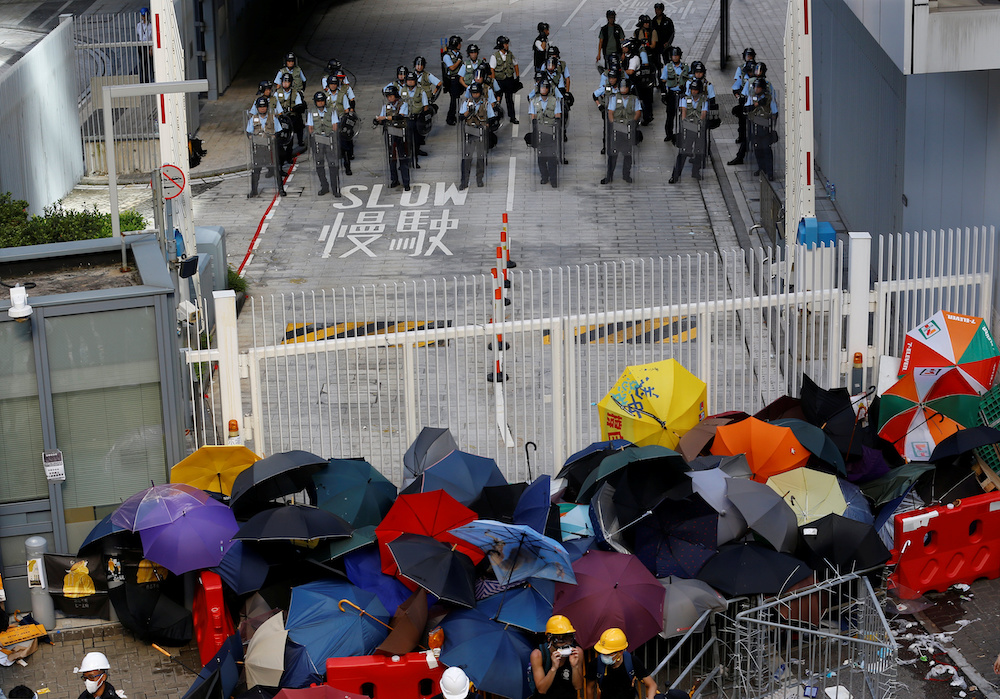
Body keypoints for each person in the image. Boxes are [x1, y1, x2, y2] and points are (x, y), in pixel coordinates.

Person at [589, 628, 658, 699]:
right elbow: (589, 688)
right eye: (603, 653)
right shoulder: (596, 663)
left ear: (620, 652)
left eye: (609, 653)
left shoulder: (632, 661)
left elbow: (652, 685)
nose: (605, 656)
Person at [529, 615, 584, 699]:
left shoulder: (577, 652)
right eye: (560, 639)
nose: (565, 643)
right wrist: (553, 668)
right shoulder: (538, 655)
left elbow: (578, 686)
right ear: (549, 639)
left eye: (568, 638)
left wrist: (574, 667)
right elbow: (542, 690)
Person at [669, 77, 708, 183]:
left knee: (699, 151)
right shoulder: (684, 99)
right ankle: (675, 175)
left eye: (695, 90)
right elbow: (683, 113)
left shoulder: (704, 101)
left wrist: (699, 123)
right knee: (684, 151)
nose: (693, 91)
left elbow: (703, 114)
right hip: (688, 127)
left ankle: (695, 172)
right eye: (692, 89)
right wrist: (685, 124)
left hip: (699, 127)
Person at [603, 78, 641, 185]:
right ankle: (609, 176)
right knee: (613, 153)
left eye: (625, 87)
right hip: (617, 128)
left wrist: (633, 121)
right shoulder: (614, 98)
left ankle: (626, 175)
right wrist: (612, 124)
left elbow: (638, 112)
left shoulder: (634, 99)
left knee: (627, 153)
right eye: (621, 87)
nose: (623, 89)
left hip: (628, 129)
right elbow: (610, 112)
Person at [246, 96, 285, 197]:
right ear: (257, 108)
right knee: (256, 170)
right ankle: (254, 190)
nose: (262, 109)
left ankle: (280, 189)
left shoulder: (273, 118)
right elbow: (249, 133)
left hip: (271, 148)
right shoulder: (253, 119)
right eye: (260, 107)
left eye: (264, 107)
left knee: (276, 169)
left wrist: (273, 137)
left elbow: (279, 132)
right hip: (258, 148)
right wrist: (253, 138)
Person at [458, 83, 494, 189]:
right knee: (466, 158)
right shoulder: (466, 103)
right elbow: (460, 117)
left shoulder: (486, 103)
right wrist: (468, 111)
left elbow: (491, 118)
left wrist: (486, 125)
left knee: (480, 157)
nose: (475, 95)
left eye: (477, 93)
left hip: (481, 132)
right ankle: (464, 181)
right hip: (469, 132)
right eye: (473, 93)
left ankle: (479, 179)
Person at [376, 85, 411, 191]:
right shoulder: (386, 107)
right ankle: (394, 180)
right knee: (392, 157)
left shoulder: (403, 104)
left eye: (391, 96)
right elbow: (381, 118)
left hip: (401, 133)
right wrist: (378, 120)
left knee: (403, 157)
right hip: (390, 134)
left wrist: (386, 118)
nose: (389, 98)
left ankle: (406, 182)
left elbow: (400, 116)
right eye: (388, 96)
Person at [528, 78, 561, 188]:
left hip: (551, 132)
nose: (544, 89)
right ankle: (544, 176)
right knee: (541, 157)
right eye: (542, 87)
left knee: (552, 157)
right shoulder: (534, 101)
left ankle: (553, 179)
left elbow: (557, 117)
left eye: (546, 87)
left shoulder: (555, 101)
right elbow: (533, 118)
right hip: (540, 132)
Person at [306, 91, 340, 197]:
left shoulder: (332, 111)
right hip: (318, 140)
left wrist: (331, 136)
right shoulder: (311, 112)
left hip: (329, 139)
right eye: (318, 101)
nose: (320, 103)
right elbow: (310, 128)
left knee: (332, 164)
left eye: (322, 101)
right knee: (319, 164)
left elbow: (335, 125)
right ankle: (324, 186)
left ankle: (335, 188)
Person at [746, 77, 777, 179]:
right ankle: (761, 168)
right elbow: (746, 108)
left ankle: (770, 172)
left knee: (766, 150)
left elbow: (774, 112)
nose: (756, 89)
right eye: (755, 87)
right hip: (755, 126)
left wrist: (772, 126)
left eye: (758, 87)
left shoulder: (769, 98)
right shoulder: (752, 97)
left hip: (765, 127)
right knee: (757, 149)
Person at [325, 74, 355, 173]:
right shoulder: (325, 96)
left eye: (334, 84)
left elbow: (346, 109)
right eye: (331, 84)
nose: (333, 86)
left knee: (344, 145)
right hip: (329, 123)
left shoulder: (342, 95)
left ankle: (347, 166)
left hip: (341, 122)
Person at [659, 46, 688, 142]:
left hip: (682, 94)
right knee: (670, 115)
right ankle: (669, 134)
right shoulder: (668, 67)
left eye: (677, 56)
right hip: (671, 93)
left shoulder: (685, 67)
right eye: (673, 56)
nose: (675, 57)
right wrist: (663, 93)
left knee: (684, 114)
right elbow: (663, 80)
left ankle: (684, 132)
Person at [730, 48, 756, 153]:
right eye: (747, 56)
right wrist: (737, 94)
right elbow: (737, 83)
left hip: (754, 99)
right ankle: (741, 136)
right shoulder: (741, 69)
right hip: (743, 98)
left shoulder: (757, 68)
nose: (749, 58)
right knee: (742, 119)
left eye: (750, 56)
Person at [490, 36, 521, 124]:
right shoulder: (495, 56)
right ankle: (495, 117)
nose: (507, 45)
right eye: (506, 44)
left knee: (510, 99)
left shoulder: (510, 54)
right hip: (499, 81)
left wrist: (517, 76)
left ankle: (512, 116)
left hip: (509, 80)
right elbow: (492, 69)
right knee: (497, 100)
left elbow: (516, 64)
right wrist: (493, 80)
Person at [593, 67, 621, 154]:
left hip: (619, 112)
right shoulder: (606, 88)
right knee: (607, 130)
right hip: (608, 112)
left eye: (613, 78)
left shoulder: (621, 87)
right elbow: (594, 95)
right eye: (610, 78)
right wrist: (599, 106)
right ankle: (606, 146)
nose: (611, 80)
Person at [443, 35, 464, 125]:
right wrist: (459, 60)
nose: (460, 45)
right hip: (452, 80)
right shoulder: (447, 56)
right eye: (459, 43)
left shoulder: (458, 54)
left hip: (459, 78)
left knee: (458, 98)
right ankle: (450, 118)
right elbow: (452, 67)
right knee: (453, 100)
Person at [650, 3, 674, 73]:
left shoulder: (668, 21)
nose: (657, 11)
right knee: (657, 64)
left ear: (662, 10)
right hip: (656, 46)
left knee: (667, 62)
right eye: (656, 10)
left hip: (665, 46)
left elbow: (672, 33)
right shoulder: (653, 21)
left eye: (659, 10)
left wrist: (668, 43)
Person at [135, 7, 153, 82]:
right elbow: (137, 34)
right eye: (142, 16)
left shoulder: (151, 25)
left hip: (148, 45)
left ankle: (149, 77)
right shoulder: (139, 25)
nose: (144, 17)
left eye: (145, 15)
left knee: (149, 62)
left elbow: (152, 36)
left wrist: (151, 47)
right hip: (141, 45)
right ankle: (143, 78)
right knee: (142, 62)